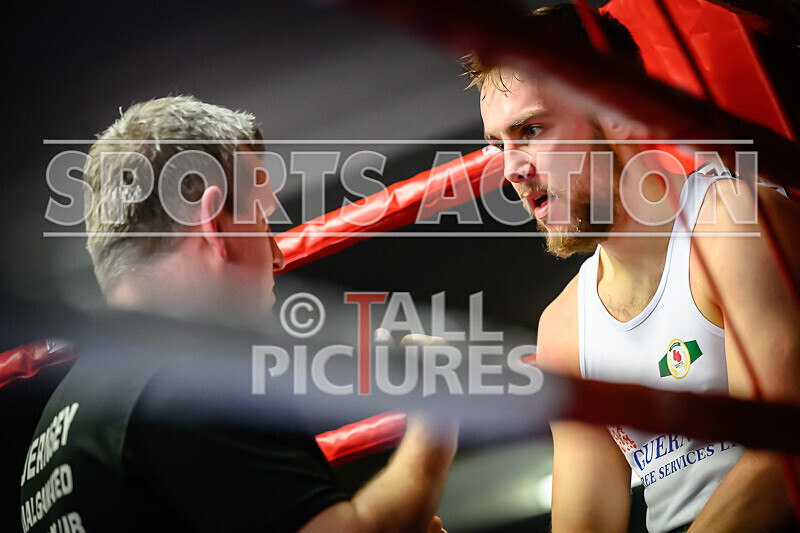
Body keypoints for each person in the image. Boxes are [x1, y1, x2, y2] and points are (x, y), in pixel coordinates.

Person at [19, 96, 456, 533]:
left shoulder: (58, 426)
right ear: (216, 225)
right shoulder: (191, 376)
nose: (278, 256)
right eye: (263, 222)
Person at [463, 4, 800, 533]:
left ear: (618, 108)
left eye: (531, 130)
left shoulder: (731, 222)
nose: (510, 172)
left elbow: (786, 458)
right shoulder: (565, 328)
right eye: (498, 145)